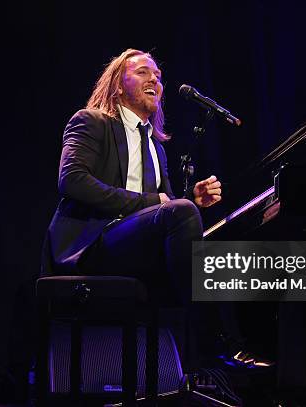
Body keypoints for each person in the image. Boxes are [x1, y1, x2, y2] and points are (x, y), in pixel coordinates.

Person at [41, 48, 271, 369]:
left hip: (134, 247)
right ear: (118, 85)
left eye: (158, 76)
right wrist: (164, 204)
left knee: (223, 247)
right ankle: (212, 346)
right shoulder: (92, 122)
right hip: (91, 245)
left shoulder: (155, 147)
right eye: (143, 72)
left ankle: (238, 350)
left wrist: (191, 197)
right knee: (181, 214)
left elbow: (163, 211)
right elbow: (73, 181)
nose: (155, 80)